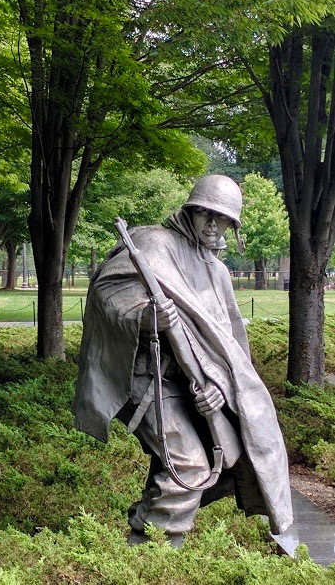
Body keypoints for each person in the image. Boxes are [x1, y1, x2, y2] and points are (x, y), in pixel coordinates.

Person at [73, 175, 293, 546]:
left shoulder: (218, 272)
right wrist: (147, 318)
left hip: (194, 388)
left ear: (232, 225)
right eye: (204, 213)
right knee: (190, 465)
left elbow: (229, 345)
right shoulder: (152, 243)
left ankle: (146, 522)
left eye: (221, 218)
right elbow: (107, 294)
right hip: (146, 378)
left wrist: (220, 392)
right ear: (190, 211)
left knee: (221, 464)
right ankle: (151, 554)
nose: (211, 224)